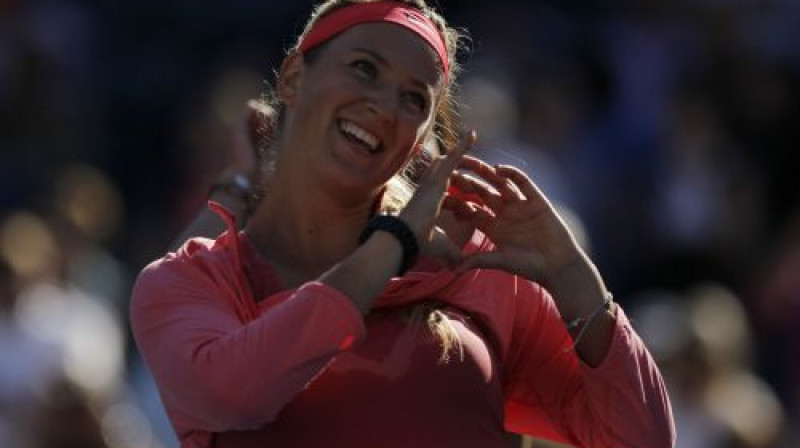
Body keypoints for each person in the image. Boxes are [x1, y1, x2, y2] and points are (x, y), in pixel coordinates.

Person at [130, 1, 676, 447]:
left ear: (420, 137)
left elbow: (639, 439)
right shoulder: (188, 281)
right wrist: (392, 246)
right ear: (294, 76)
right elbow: (233, 394)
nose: (384, 106)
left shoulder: (477, 265)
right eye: (364, 68)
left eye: (414, 99)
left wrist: (569, 271)